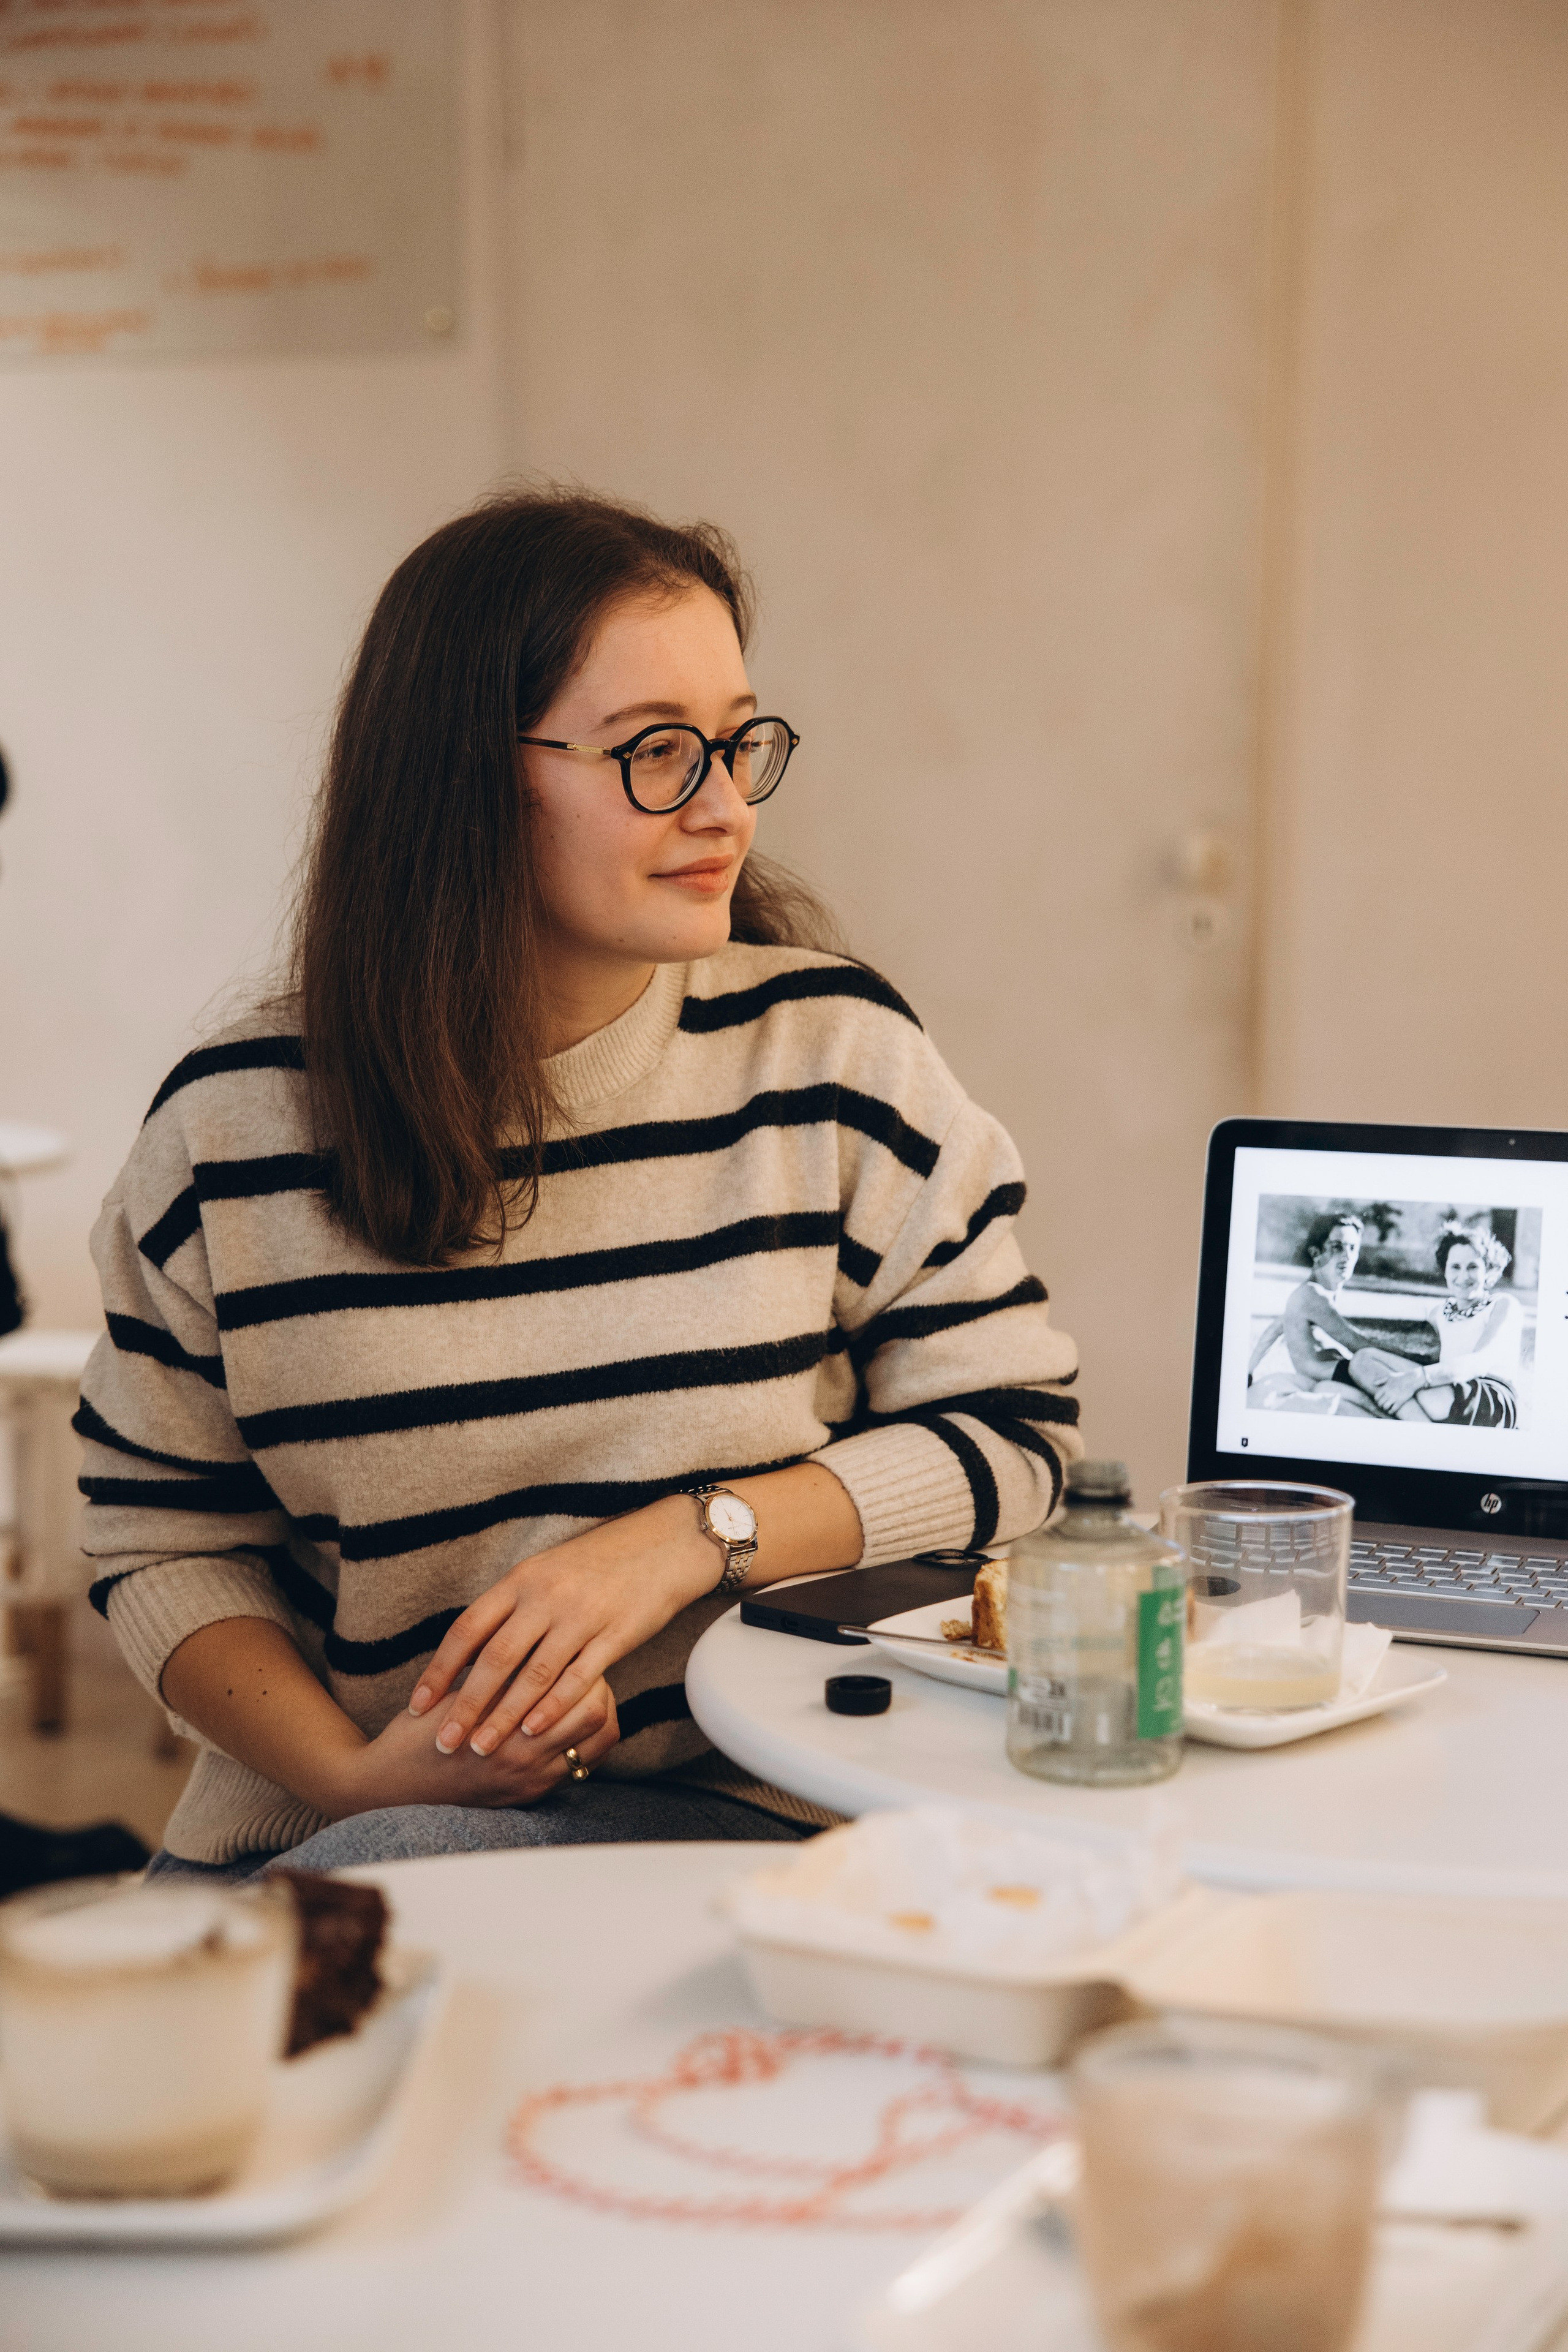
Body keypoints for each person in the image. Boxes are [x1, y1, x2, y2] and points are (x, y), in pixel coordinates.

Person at [77, 491, 1082, 1880]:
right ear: (468, 776)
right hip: (321, 1840)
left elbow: (1016, 1438)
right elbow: (158, 1532)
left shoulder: (834, 1060)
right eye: (656, 751)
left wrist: (688, 1540)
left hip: (736, 1824)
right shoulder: (234, 1126)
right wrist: (354, 1775)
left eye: (736, 741)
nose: (723, 803)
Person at [1344, 1223, 1521, 1427]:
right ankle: (1423, 1428)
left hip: (1488, 1397)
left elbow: (1479, 1363)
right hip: (1445, 1386)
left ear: (1488, 1270)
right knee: (1362, 1360)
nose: (1463, 1277)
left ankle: (1416, 1428)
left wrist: (1415, 1379)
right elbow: (1424, 1359)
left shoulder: (1503, 1304)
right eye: (1455, 1267)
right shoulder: (1439, 1313)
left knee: (1424, 1398)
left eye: (1473, 1267)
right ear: (1444, 1271)